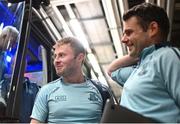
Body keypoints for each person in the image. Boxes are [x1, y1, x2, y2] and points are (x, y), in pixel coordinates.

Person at [107, 2, 180, 123]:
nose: (123, 39)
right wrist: (137, 54)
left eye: (129, 32)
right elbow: (111, 70)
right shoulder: (139, 68)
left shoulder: (167, 56)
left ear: (152, 29)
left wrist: (145, 49)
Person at [30, 37, 111, 123]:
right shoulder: (46, 91)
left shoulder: (101, 91)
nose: (56, 60)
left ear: (80, 58)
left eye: (61, 55)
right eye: (55, 56)